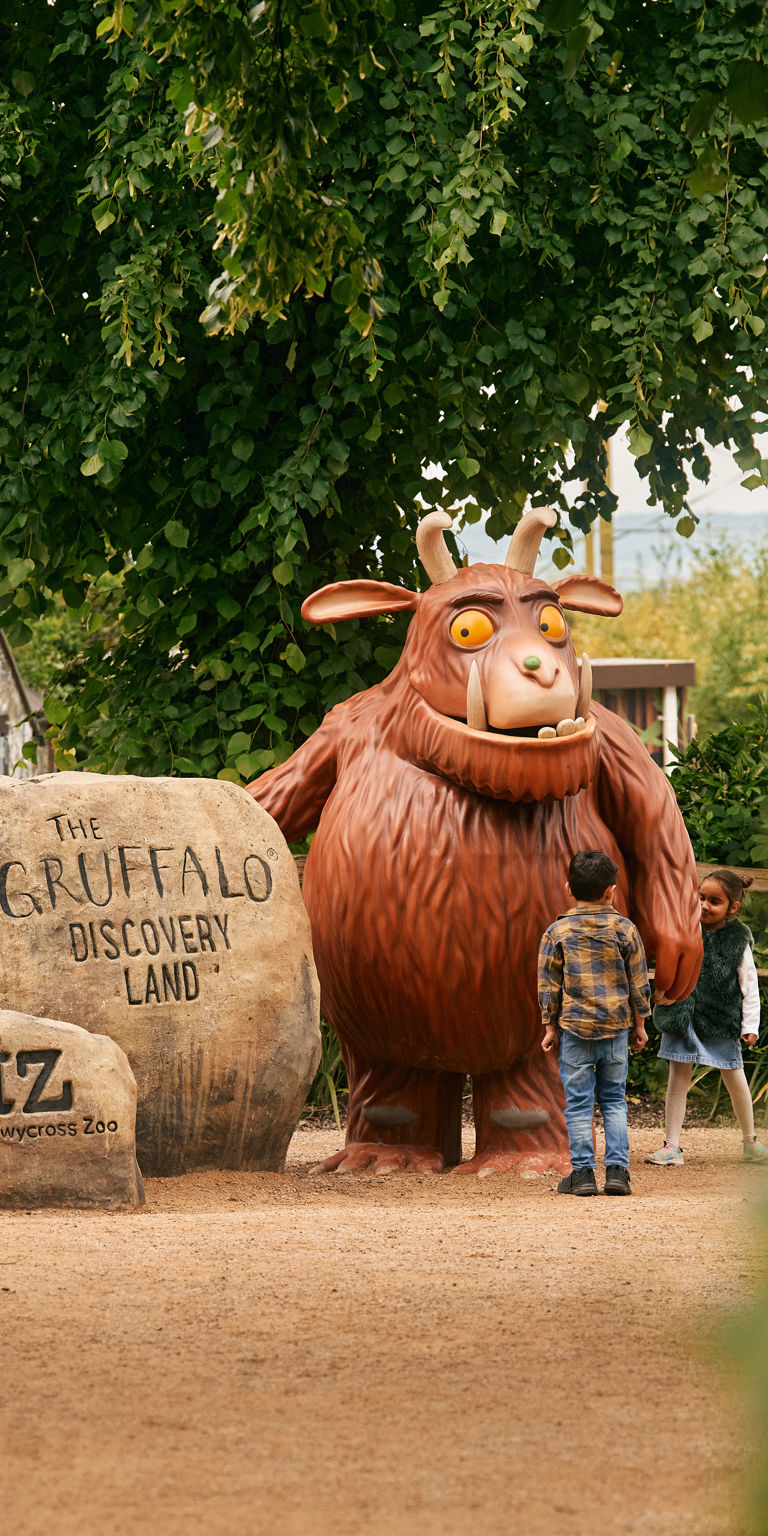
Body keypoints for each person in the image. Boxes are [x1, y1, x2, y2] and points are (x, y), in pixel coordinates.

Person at [539, 848, 651, 1197]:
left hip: (574, 1029)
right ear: (611, 891)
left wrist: (549, 1026)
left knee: (578, 1104)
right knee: (615, 1100)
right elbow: (638, 981)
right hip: (616, 1028)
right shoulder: (625, 929)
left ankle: (583, 1174)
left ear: (568, 888)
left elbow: (548, 984)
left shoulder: (556, 932)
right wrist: (641, 1024)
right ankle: (618, 1172)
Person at [646, 869, 768, 1166]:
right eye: (701, 897)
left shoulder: (739, 938)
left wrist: (750, 1025)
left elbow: (749, 985)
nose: (704, 905)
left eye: (715, 901)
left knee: (734, 1075)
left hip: (721, 1018)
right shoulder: (684, 928)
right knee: (677, 1079)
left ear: (733, 907)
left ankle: (749, 1141)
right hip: (682, 1015)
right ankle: (671, 1146)